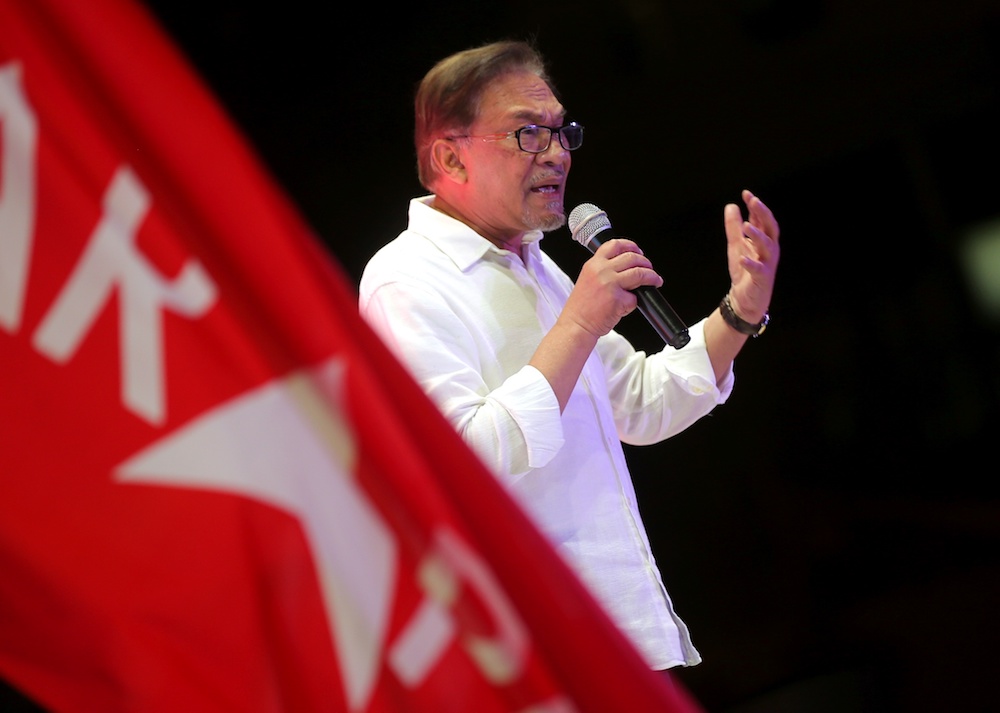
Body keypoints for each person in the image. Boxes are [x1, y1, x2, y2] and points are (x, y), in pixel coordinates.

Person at [358, 39, 780, 674]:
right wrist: (580, 321)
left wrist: (741, 310)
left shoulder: (535, 263)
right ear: (451, 155)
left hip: (623, 638)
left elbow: (639, 403)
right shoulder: (405, 280)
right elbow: (458, 460)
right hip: (528, 653)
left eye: (561, 131)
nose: (556, 153)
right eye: (527, 134)